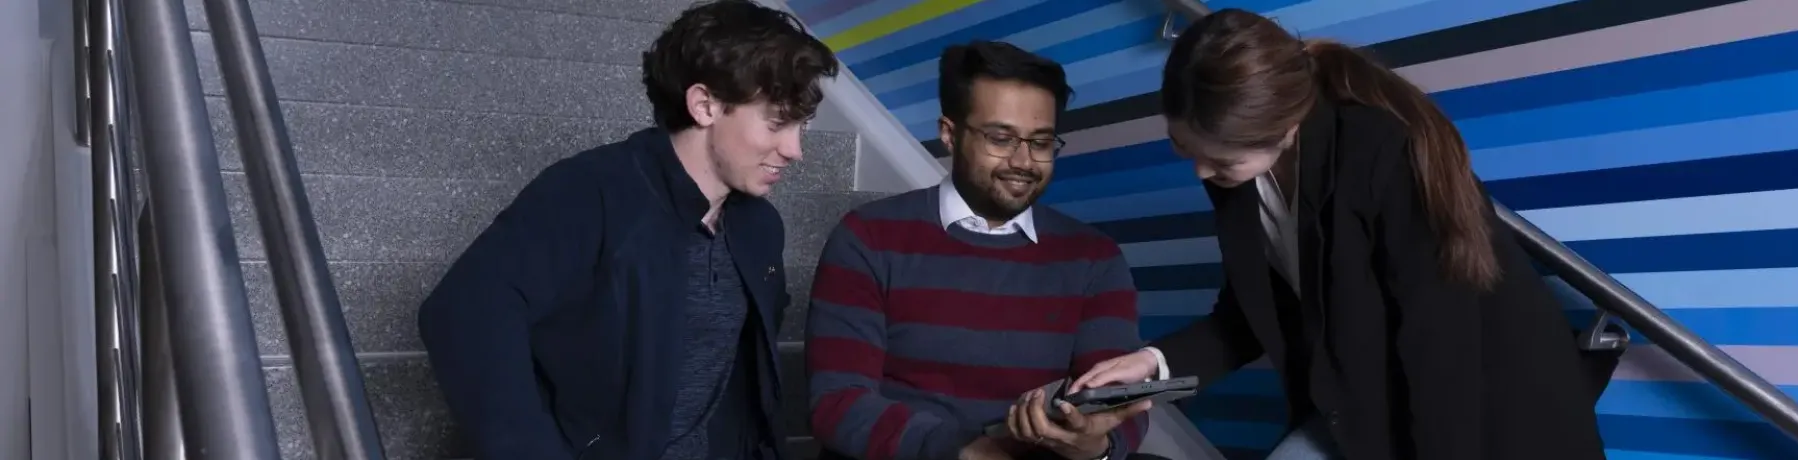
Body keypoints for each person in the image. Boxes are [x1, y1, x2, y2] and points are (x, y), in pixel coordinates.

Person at [1070, 9, 1608, 460]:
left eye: (1219, 159)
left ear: (1284, 127)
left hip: (1488, 418)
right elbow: (1246, 321)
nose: (1201, 174)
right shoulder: (1238, 176)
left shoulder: (1378, 154)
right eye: (1185, 148)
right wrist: (1152, 368)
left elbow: (1439, 355)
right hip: (1359, 407)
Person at [416, 1, 837, 459]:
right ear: (705, 105)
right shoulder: (588, 192)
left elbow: (745, 385)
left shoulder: (760, 226)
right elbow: (462, 313)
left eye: (803, 125)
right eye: (777, 123)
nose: (794, 149)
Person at [804, 40, 1151, 460]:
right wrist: (967, 451)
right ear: (949, 134)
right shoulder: (868, 237)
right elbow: (838, 403)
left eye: (1040, 143)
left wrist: (1096, 443)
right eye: (1001, 138)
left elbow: (1118, 398)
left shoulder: (1094, 258)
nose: (1023, 161)